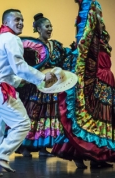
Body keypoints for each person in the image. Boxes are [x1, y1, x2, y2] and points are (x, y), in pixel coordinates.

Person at [51, 0, 115, 168]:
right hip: (96, 81)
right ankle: (83, 155)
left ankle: (99, 157)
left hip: (107, 82)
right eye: (97, 20)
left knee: (102, 120)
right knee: (87, 118)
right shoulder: (88, 41)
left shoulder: (101, 39)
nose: (101, 22)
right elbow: (83, 34)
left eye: (101, 20)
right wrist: (86, 6)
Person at [0, 9, 54, 177]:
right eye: (17, 20)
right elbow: (19, 66)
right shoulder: (12, 39)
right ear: (6, 23)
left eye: (22, 19)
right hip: (1, 92)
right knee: (23, 124)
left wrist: (19, 81)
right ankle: (1, 155)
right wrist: (42, 77)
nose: (21, 22)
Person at [16, 13, 77, 157]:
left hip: (52, 87)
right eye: (47, 26)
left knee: (49, 115)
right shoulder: (31, 47)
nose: (50, 29)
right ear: (38, 28)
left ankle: (43, 148)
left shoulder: (55, 45)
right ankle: (24, 146)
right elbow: (25, 67)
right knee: (32, 115)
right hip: (35, 87)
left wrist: (74, 51)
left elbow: (64, 60)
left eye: (51, 26)